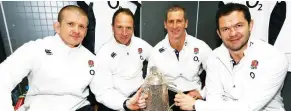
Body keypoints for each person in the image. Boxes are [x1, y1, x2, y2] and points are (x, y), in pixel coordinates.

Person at [174, 3, 288, 111]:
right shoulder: (214, 57)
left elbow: (247, 107)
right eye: (225, 29)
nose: (233, 33)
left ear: (250, 25)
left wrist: (197, 105)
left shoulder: (273, 58)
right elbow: (213, 99)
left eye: (238, 26)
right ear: (219, 34)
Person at [146, 5, 212, 111]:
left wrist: (202, 93)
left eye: (179, 21)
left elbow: (216, 72)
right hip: (167, 96)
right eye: (171, 21)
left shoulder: (200, 46)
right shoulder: (156, 51)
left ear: (186, 23)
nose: (175, 26)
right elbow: (150, 81)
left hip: (192, 96)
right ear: (165, 24)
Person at [91, 8, 152, 111]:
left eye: (128, 28)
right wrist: (125, 104)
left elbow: (157, 58)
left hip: (140, 95)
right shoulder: (103, 54)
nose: (124, 33)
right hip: (116, 101)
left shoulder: (140, 44)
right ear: (112, 28)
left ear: (133, 28)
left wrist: (149, 83)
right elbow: (102, 92)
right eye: (119, 27)